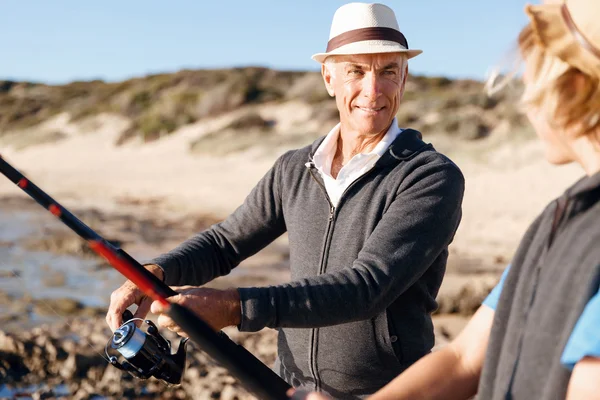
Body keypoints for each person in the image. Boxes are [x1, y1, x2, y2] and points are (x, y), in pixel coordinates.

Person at [106, 3, 465, 398]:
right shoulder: (294, 168)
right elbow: (226, 242)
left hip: (387, 391)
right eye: (356, 71)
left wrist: (234, 308)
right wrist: (157, 272)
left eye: (388, 71)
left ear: (405, 77)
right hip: (288, 387)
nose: (373, 90)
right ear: (329, 77)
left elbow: (367, 287)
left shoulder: (430, 177)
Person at [300, 0, 600, 399]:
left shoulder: (580, 225)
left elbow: (587, 383)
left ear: (573, 86)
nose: (527, 100)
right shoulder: (561, 219)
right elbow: (464, 359)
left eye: (531, 77)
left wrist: (238, 304)